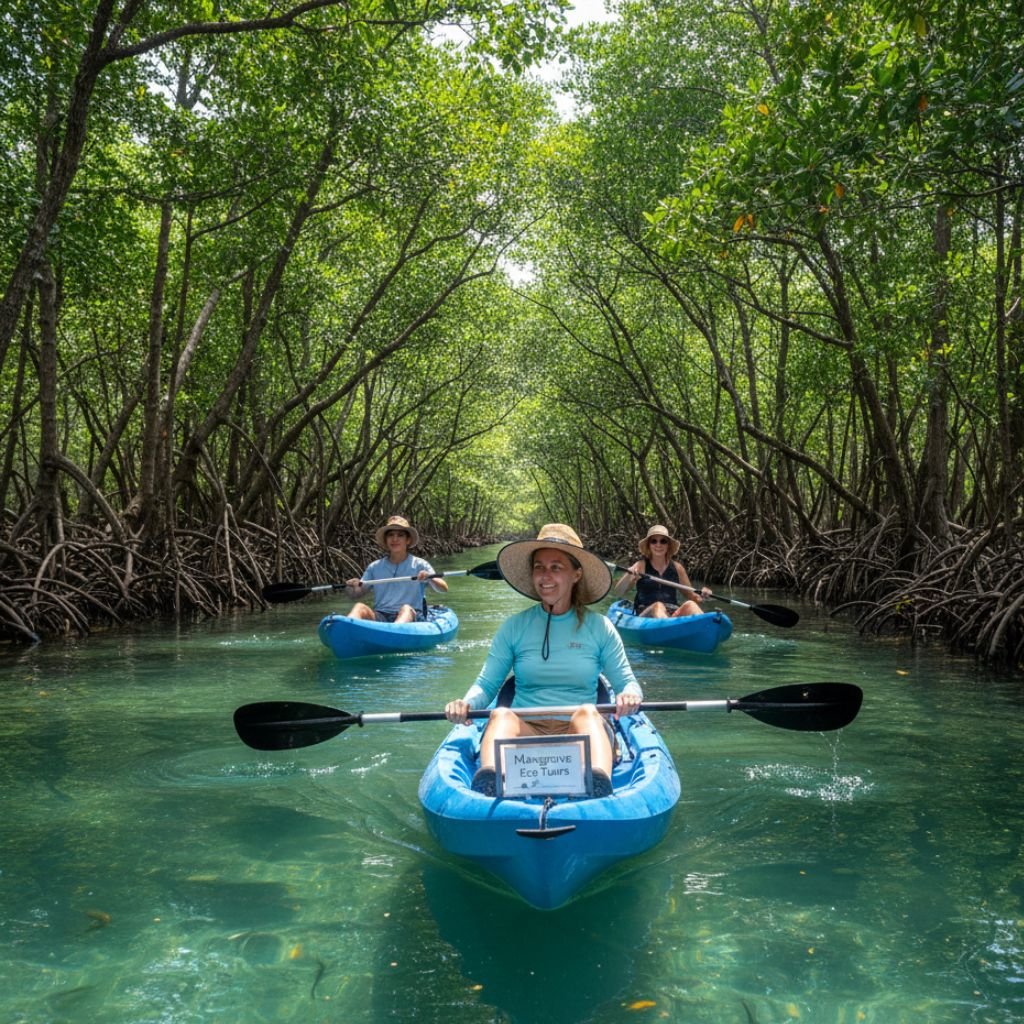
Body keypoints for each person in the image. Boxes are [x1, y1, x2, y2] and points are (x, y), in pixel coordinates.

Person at [444, 524, 643, 798]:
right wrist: (466, 703)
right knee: (501, 714)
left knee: (587, 711)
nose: (545, 576)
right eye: (539, 567)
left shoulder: (601, 627)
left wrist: (630, 695)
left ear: (576, 574)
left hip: (581, 731)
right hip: (527, 730)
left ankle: (597, 785)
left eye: (556, 567)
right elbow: (487, 683)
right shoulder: (514, 627)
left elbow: (627, 683)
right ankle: (491, 781)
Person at [344, 515, 448, 623]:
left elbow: (443, 588)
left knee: (406, 609)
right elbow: (357, 594)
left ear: (407, 540)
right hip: (381, 615)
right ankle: (346, 628)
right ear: (386, 540)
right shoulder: (374, 567)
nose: (394, 539)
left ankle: (393, 634)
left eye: (400, 535)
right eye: (390, 535)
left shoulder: (420, 564)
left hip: (412, 616)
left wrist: (430, 578)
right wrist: (351, 587)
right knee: (359, 607)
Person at [612, 524, 711, 618]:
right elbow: (618, 592)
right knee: (658, 606)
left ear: (668, 545)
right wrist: (629, 576)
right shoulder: (640, 566)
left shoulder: (678, 568)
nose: (658, 545)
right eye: (654, 541)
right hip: (646, 613)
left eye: (663, 541)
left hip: (671, 614)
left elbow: (692, 596)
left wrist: (703, 595)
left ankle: (707, 629)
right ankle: (668, 629)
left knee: (691, 605)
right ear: (649, 545)